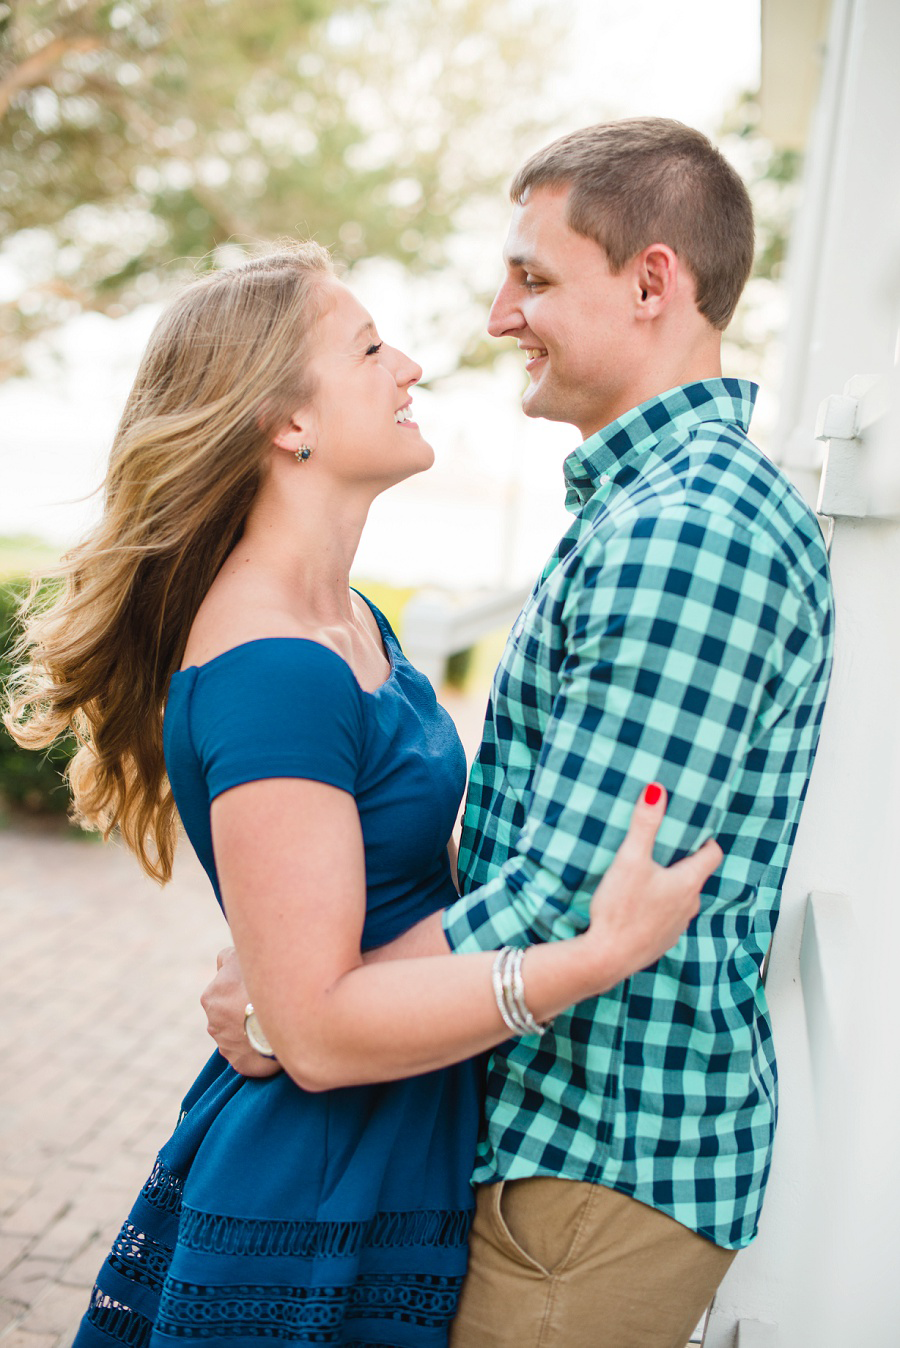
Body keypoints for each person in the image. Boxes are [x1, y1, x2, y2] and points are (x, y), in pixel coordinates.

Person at [5, 241, 721, 1347]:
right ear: (286, 423)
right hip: (315, 1179)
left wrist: (276, 997)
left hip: (392, 1143)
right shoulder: (273, 668)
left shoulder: (351, 627)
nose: (413, 366)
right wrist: (591, 957)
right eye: (371, 347)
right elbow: (322, 1035)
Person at [204, 120, 835, 1347]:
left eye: (534, 279)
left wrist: (303, 1010)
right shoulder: (648, 505)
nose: (498, 319)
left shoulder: (687, 530)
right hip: (559, 1149)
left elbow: (568, 893)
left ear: (654, 281)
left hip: (590, 1168)